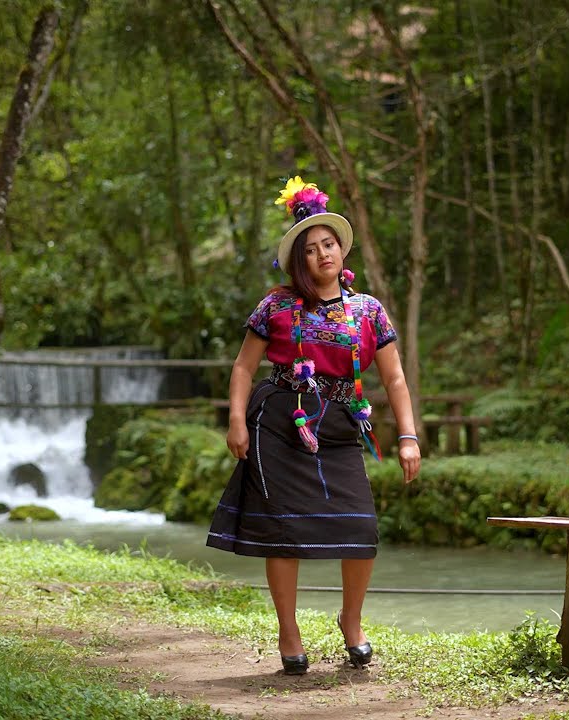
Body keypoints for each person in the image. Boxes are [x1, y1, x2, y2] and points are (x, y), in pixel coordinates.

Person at [206, 177, 421, 676]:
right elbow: (243, 367)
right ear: (298, 261)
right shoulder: (276, 306)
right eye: (311, 249)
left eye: (329, 244)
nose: (323, 255)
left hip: (343, 425)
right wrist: (236, 420)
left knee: (361, 526)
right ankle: (289, 629)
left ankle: (352, 619)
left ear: (341, 250)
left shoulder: (368, 311)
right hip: (282, 422)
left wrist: (408, 437)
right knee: (284, 533)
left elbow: (394, 378)